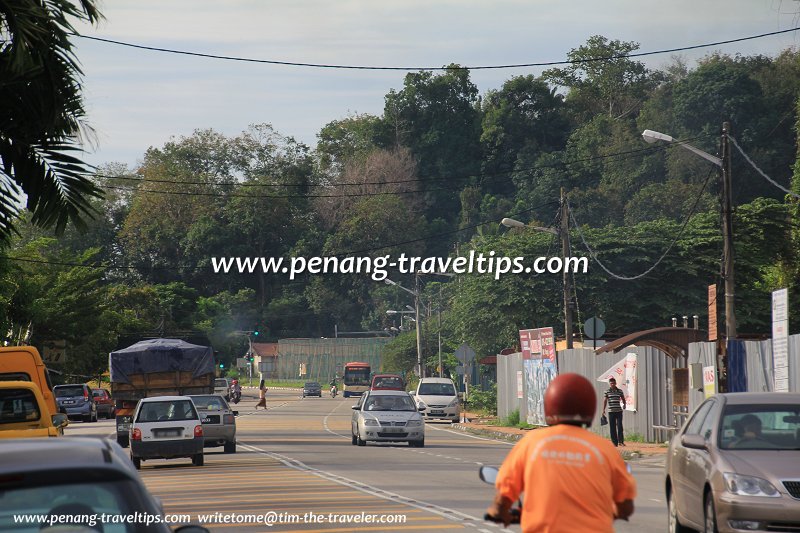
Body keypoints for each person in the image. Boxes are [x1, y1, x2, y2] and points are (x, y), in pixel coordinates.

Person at [487, 373, 636, 532]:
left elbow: (503, 499)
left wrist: (497, 512)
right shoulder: (605, 449)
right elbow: (626, 506)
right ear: (590, 406)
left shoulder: (531, 443)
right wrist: (609, 513)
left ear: (549, 404)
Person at [602, 377, 626, 447]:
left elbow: (623, 398)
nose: (612, 384)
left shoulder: (620, 391)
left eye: (613, 383)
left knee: (620, 426)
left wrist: (624, 404)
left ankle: (621, 441)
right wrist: (603, 410)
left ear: (615, 383)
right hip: (611, 412)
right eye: (611, 383)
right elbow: (605, 401)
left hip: (619, 411)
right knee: (612, 427)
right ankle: (614, 443)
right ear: (609, 384)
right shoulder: (607, 391)